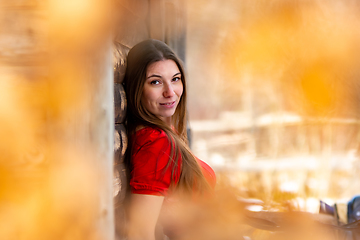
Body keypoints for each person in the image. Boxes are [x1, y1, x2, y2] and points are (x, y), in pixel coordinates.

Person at [123, 39, 216, 240]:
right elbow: (139, 233)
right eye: (155, 82)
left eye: (175, 79)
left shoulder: (162, 133)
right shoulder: (156, 143)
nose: (170, 92)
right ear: (136, 88)